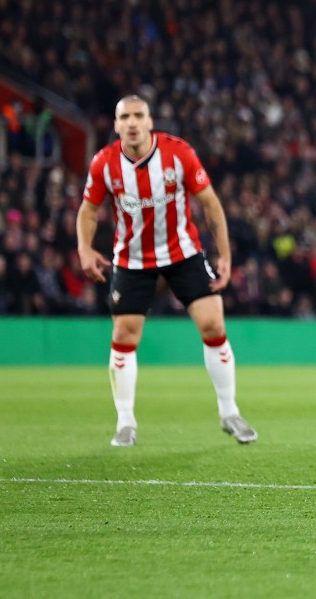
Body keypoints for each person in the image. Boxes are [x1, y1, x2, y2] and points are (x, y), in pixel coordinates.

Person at [76, 95, 257, 447]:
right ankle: (125, 422)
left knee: (213, 324)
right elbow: (87, 210)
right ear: (115, 125)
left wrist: (225, 255)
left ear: (149, 121)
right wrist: (84, 248)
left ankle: (229, 412)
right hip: (131, 259)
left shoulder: (179, 154)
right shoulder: (104, 163)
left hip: (182, 252)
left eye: (137, 115)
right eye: (124, 116)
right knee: (125, 335)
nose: (131, 122)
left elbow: (211, 205)